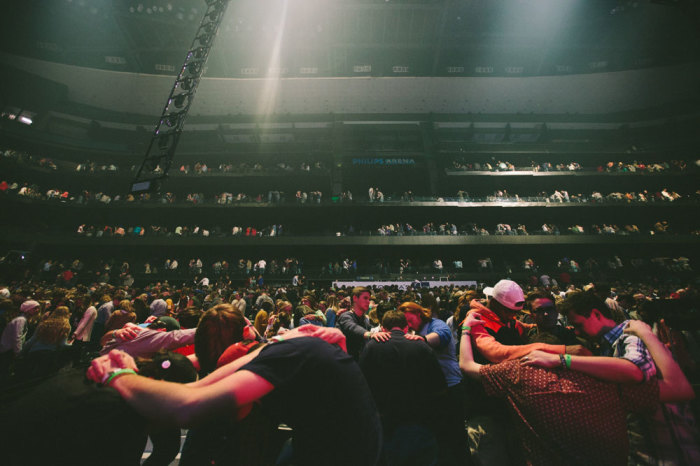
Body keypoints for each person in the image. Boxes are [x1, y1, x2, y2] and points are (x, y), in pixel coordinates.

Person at [87, 327, 382, 466]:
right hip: (330, 445)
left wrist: (117, 377)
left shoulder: (287, 355)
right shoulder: (275, 349)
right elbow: (195, 390)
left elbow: (189, 406)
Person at [459, 315, 694, 465]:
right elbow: (681, 390)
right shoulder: (606, 381)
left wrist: (467, 328)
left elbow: (467, 366)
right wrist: (647, 335)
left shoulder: (518, 373)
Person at [359, 310, 447, 465]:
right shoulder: (421, 345)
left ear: (382, 328)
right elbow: (439, 386)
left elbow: (362, 385)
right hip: (419, 420)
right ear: (406, 328)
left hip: (386, 422)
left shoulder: (372, 347)